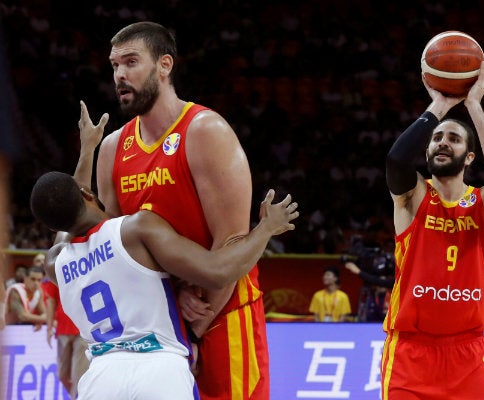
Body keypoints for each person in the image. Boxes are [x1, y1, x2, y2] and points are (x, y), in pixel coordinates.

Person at [78, 21, 271, 398]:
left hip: (221, 312)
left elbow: (232, 240)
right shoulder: (113, 149)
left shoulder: (205, 130)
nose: (120, 74)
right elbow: (115, 253)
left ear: (165, 65)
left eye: (132, 62)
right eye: (115, 65)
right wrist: (172, 317)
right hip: (156, 324)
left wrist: (194, 327)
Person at [30, 170, 298, 399]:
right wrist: (266, 228)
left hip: (100, 377)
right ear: (86, 193)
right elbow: (219, 272)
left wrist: (87, 151)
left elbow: (65, 218)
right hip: (159, 368)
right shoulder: (135, 230)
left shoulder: (55, 262)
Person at [381, 61, 484, 399]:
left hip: (468, 354)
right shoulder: (412, 198)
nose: (443, 142)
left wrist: (473, 106)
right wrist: (439, 106)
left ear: (469, 157)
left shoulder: (483, 206)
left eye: (453, 139)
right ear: (426, 150)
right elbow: (397, 160)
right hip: (411, 353)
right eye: (437, 138)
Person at [44, 279, 89, 399]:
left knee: (78, 375)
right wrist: (49, 328)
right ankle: (76, 396)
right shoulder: (55, 268)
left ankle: (77, 397)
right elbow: (51, 300)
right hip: (63, 330)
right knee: (62, 375)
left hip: (82, 330)